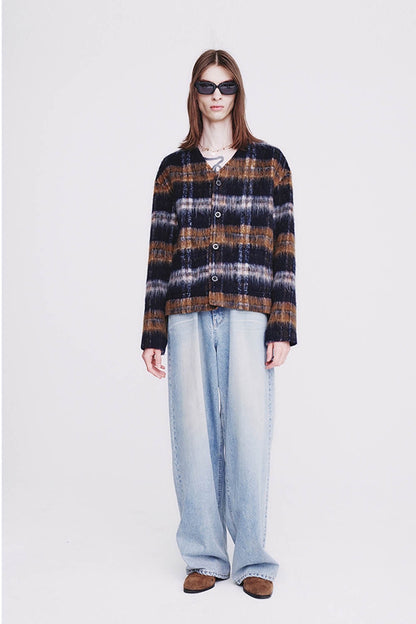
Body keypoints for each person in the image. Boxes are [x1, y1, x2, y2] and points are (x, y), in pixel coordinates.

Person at [141, 49, 297, 599]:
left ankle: (253, 558)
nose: (216, 96)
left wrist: (282, 324)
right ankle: (204, 556)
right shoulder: (174, 169)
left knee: (250, 432)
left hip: (250, 312)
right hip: (184, 313)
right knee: (192, 433)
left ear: (238, 93)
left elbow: (284, 248)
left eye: (226, 86)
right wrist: (152, 332)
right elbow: (159, 253)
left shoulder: (269, 163)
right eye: (207, 86)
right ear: (194, 93)